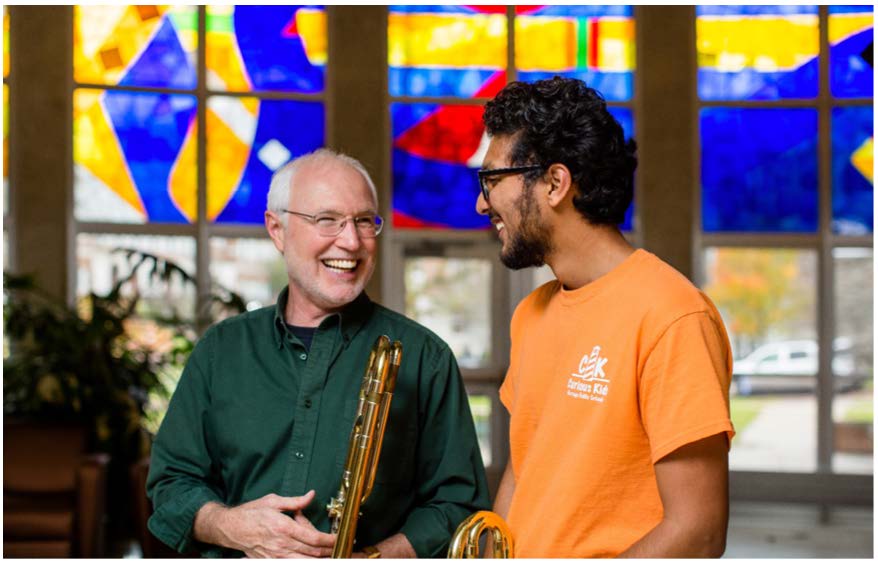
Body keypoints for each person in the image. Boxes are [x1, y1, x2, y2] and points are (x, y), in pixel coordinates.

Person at [147, 148, 490, 558]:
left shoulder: (425, 358)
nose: (350, 241)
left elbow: (458, 505)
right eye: (327, 220)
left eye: (364, 221)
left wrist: (370, 558)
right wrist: (230, 526)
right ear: (277, 230)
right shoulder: (220, 351)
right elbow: (170, 484)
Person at [476, 77, 735, 557]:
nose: (481, 202)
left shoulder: (673, 315)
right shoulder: (530, 313)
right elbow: (525, 468)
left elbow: (697, 529)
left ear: (555, 183)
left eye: (492, 180)